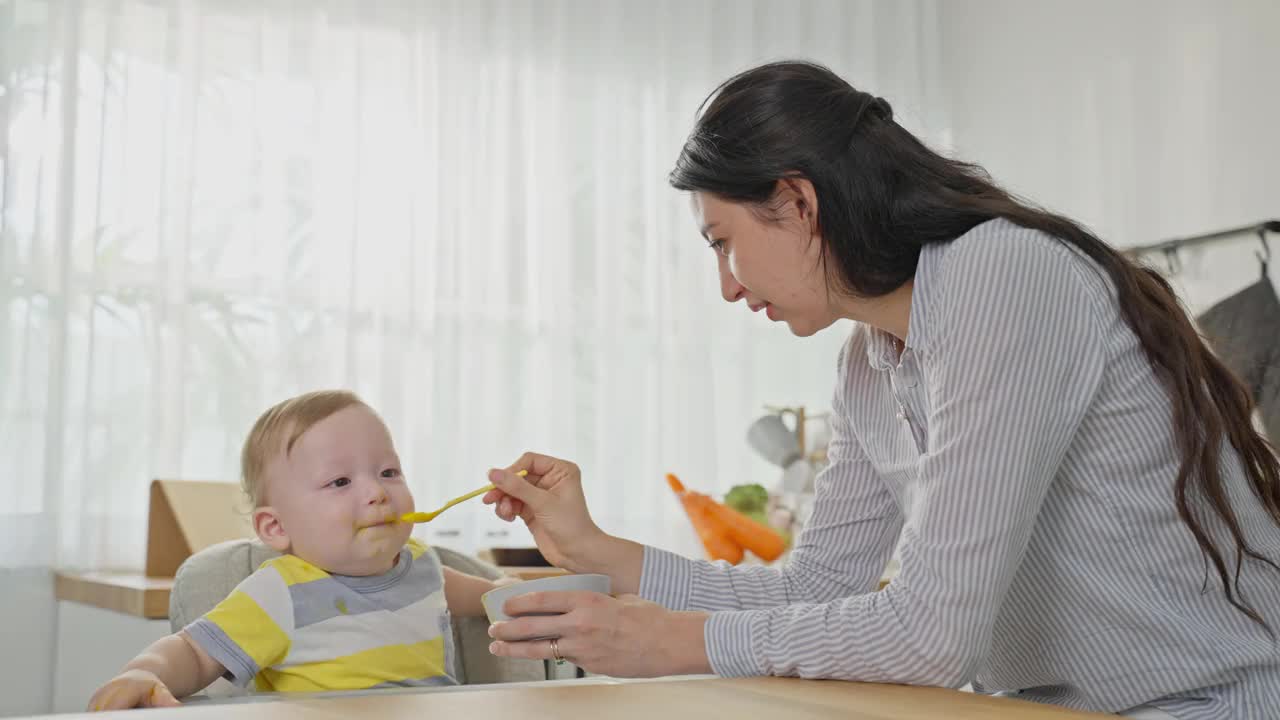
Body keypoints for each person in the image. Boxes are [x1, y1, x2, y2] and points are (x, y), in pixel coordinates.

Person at [481, 61, 1280, 719]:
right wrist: (594, 551)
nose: (725, 286)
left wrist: (665, 642)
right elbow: (818, 587)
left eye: (724, 244)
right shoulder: (868, 363)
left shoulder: (1001, 275)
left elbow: (932, 634)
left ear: (798, 203)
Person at [87, 390, 505, 710]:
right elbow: (194, 653)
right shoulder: (281, 592)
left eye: (388, 472)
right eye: (340, 482)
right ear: (277, 527)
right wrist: (145, 672)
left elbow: (485, 596)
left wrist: (511, 595)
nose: (377, 492)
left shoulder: (423, 566)